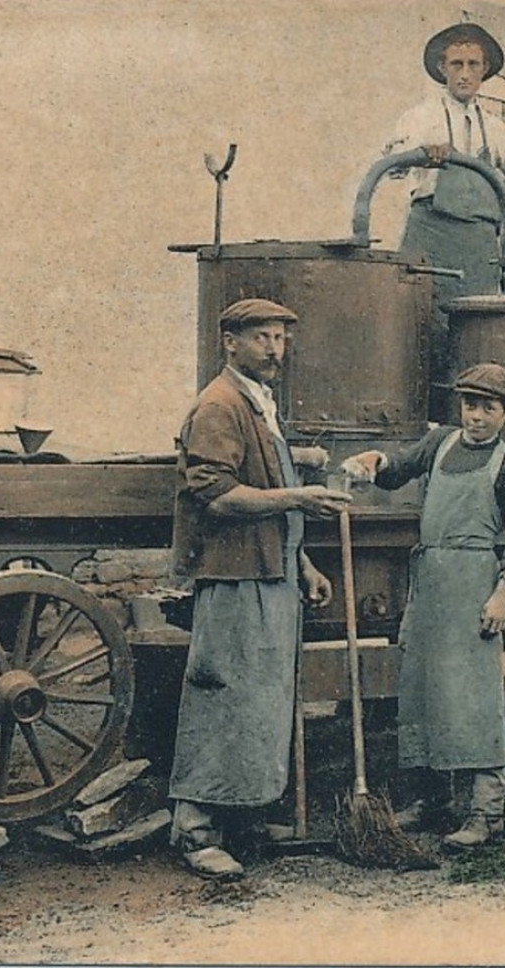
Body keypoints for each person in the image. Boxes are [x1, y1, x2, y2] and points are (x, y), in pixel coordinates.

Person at [169, 298, 351, 879]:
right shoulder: (219, 406)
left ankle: (242, 816)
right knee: (222, 695)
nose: (276, 349)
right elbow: (217, 496)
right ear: (230, 342)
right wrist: (300, 498)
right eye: (262, 338)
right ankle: (195, 832)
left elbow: (265, 479)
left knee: (260, 704)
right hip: (233, 577)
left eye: (280, 338)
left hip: (270, 573)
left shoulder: (258, 404)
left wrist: (301, 563)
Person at [341, 363, 505, 848]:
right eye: (470, 405)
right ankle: (433, 801)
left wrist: (503, 593)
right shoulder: (440, 444)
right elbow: (397, 472)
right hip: (429, 584)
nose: (476, 417)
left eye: (488, 409)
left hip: (475, 585)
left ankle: (486, 811)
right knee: (424, 690)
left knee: (472, 696)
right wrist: (373, 461)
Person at [383, 21, 505, 414]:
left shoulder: (498, 129)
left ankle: (473, 421)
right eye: (456, 64)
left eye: (473, 64)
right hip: (432, 240)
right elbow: (391, 165)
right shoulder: (419, 117)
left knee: (479, 333)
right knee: (426, 332)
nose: (465, 73)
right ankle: (427, 422)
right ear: (442, 69)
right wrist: (422, 151)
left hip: (480, 251)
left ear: (484, 71)